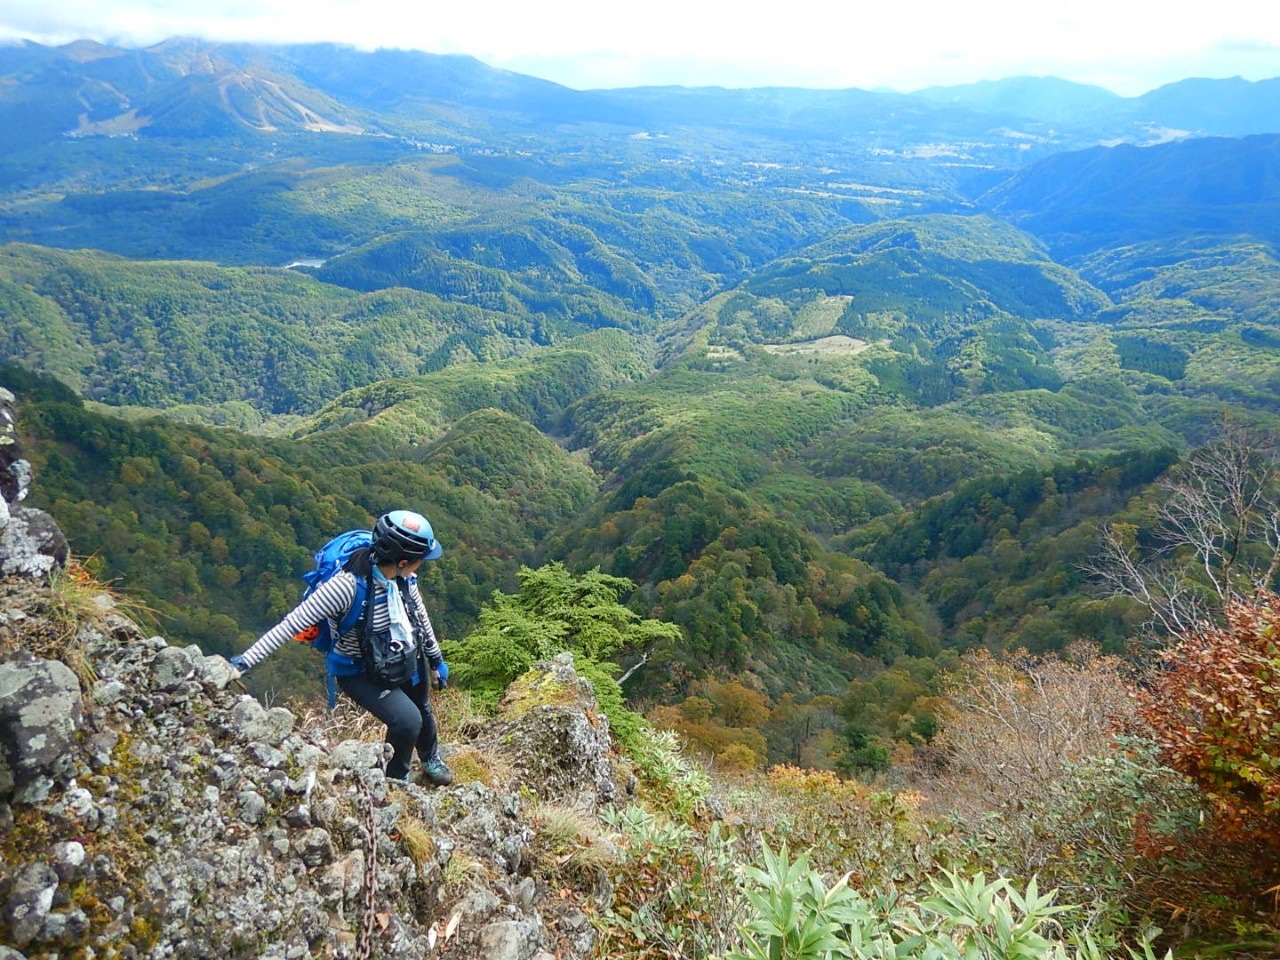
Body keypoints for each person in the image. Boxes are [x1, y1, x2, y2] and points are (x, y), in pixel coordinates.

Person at [226, 509, 453, 786]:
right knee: (407, 722)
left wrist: (435, 658)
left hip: (404, 653)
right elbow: (291, 624)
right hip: (359, 670)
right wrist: (242, 662)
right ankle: (397, 781)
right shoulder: (344, 588)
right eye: (421, 560)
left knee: (422, 708)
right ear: (403, 561)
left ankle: (430, 758)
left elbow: (419, 616)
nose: (423, 565)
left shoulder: (405, 580)